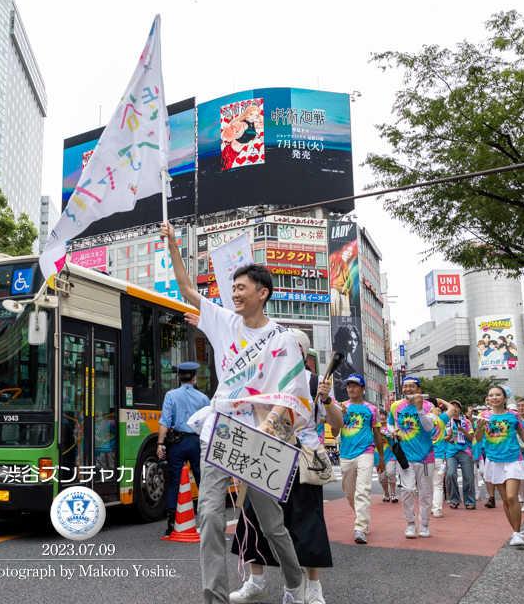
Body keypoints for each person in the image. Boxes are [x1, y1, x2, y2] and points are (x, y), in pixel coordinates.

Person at [160, 221, 309, 604]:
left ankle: (296, 583)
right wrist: (174, 245)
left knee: (273, 526)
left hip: (258, 435)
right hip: (222, 428)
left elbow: (291, 391)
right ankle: (216, 597)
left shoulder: (283, 339)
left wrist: (273, 422)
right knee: (209, 514)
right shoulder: (225, 321)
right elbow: (188, 289)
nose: (235, 293)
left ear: (263, 293)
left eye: (242, 288)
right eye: (234, 288)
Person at [229, 329, 343, 604]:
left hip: (304, 457)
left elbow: (338, 423)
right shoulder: (264, 380)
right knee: (252, 518)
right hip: (266, 455)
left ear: (300, 353)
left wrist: (326, 399)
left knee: (308, 522)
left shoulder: (317, 382)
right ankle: (255, 582)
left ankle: (312, 589)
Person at [474, 387, 524, 546]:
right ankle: (516, 532)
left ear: (505, 398)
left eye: (498, 395)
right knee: (505, 500)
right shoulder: (483, 416)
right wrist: (478, 427)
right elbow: (478, 439)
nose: (494, 397)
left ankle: (517, 533)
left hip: (514, 458)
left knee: (512, 497)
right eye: (491, 395)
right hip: (493, 460)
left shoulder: (514, 416)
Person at [157, 361, 210, 536]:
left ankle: (171, 523)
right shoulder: (203, 399)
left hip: (177, 443)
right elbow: (208, 424)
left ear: (179, 377)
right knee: (202, 480)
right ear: (194, 378)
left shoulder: (170, 396)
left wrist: (160, 444)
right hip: (196, 443)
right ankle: (207, 520)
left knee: (174, 481)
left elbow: (165, 422)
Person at [333, 373, 383, 543]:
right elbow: (334, 432)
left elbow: (377, 434)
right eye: (348, 386)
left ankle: (360, 527)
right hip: (346, 454)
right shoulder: (340, 407)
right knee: (350, 493)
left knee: (363, 490)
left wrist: (381, 458)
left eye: (355, 386)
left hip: (366, 452)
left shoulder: (372, 409)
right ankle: (363, 518)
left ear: (363, 389)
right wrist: (339, 416)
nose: (351, 389)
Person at [387, 376, 436, 538]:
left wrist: (420, 408)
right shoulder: (396, 406)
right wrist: (392, 431)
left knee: (425, 492)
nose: (408, 389)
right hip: (405, 456)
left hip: (425, 457)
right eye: (405, 386)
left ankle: (425, 524)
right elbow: (390, 422)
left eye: (412, 386)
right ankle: (410, 523)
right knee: (407, 490)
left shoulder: (429, 406)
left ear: (419, 390)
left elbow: (429, 428)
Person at [442, 400, 476, 510]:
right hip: (450, 451)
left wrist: (463, 431)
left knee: (468, 476)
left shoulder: (466, 422)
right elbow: (441, 439)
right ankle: (454, 499)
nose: (455, 408)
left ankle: (470, 501)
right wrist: (449, 436)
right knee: (451, 474)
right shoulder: (445, 422)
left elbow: (471, 438)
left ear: (460, 409)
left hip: (465, 451)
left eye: (457, 407)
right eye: (452, 407)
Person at [331, 325, 360, 402]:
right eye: (350, 339)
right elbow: (336, 383)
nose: (353, 343)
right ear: (342, 340)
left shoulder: (347, 356)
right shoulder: (336, 357)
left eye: (356, 340)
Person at [430, 402, 449, 519]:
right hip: (438, 456)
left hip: (425, 456)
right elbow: (451, 408)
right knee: (437, 484)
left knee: (427, 485)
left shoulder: (421, 420)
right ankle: (436, 509)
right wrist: (441, 400)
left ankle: (430, 507)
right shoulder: (441, 421)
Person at [377, 429, 398, 503]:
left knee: (390, 472)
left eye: (383, 416)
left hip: (390, 455)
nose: (382, 417)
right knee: (382, 477)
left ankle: (393, 494)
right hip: (378, 456)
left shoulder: (390, 427)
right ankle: (386, 494)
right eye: (380, 416)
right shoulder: (373, 427)